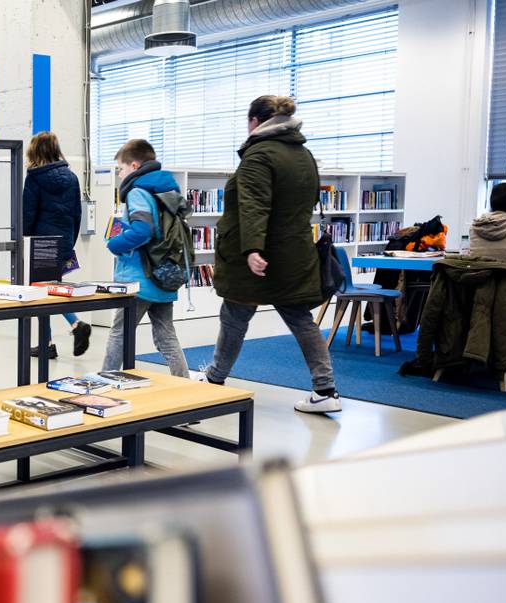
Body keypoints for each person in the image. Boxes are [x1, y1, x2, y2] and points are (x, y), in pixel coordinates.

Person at [202, 95, 341, 414]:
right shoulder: (303, 154)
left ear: (254, 121)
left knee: (234, 317)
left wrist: (252, 248)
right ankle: (326, 389)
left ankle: (215, 380)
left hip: (258, 258)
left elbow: (254, 205)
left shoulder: (258, 156)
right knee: (301, 319)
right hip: (294, 252)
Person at [101, 139, 190, 378]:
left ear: (134, 165)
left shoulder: (138, 192)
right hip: (164, 274)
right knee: (166, 336)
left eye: (120, 168)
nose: (119, 175)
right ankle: (186, 389)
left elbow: (142, 230)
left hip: (140, 277)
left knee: (120, 332)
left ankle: (102, 383)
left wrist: (115, 244)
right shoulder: (167, 190)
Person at [22, 131, 90, 358]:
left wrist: (25, 240)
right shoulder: (72, 177)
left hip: (41, 243)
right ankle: (48, 343)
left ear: (35, 151)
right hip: (63, 241)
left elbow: (28, 213)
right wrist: (69, 242)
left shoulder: (34, 177)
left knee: (42, 293)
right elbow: (77, 213)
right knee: (51, 290)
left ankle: (73, 325)